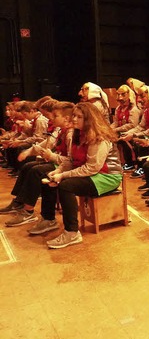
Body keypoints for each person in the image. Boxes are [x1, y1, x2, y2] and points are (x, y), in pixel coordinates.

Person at [42, 102, 122, 249]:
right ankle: (48, 219)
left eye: (79, 117)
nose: (74, 119)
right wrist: (58, 171)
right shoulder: (77, 133)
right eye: (74, 116)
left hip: (108, 176)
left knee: (66, 186)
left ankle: (72, 233)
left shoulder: (99, 137)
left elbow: (91, 168)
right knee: (49, 177)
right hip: (93, 172)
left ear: (89, 119)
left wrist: (64, 176)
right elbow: (72, 160)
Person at [1, 101, 74, 231]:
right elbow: (50, 143)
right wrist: (33, 152)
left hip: (66, 166)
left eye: (54, 115)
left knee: (37, 171)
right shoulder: (61, 130)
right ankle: (20, 202)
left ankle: (31, 212)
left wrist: (50, 156)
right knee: (28, 167)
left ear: (66, 118)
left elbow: (71, 161)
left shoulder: (70, 133)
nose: (50, 118)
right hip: (60, 162)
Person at [119, 84, 149, 173]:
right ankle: (131, 164)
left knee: (139, 142)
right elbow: (141, 126)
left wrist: (134, 135)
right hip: (148, 135)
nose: (139, 100)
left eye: (142, 96)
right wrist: (129, 133)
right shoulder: (146, 110)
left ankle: (142, 167)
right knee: (127, 138)